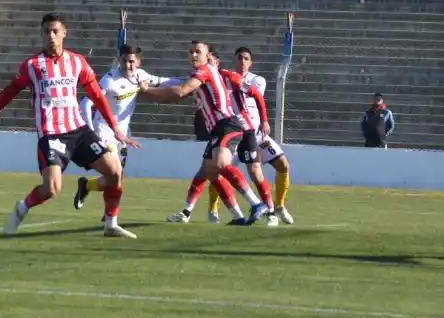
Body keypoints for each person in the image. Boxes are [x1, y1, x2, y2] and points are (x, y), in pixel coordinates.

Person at [0, 13, 138, 238]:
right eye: (46, 31)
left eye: (55, 31)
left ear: (64, 33)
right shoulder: (32, 65)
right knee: (52, 189)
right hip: (52, 134)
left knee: (115, 171)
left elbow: (96, 95)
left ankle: (110, 224)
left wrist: (115, 128)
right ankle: (22, 207)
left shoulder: (77, 62)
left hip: (79, 130)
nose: (50, 36)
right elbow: (9, 93)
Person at [141, 41, 271, 226]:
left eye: (198, 52)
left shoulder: (205, 71)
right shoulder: (201, 75)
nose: (194, 55)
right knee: (211, 173)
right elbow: (174, 93)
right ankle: (237, 216)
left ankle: (257, 204)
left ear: (207, 56)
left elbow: (180, 91)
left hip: (227, 124)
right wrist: (149, 92)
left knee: (222, 164)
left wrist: (147, 90)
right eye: (191, 52)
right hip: (218, 128)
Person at [205, 47, 295, 226]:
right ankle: (213, 208)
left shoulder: (257, 80)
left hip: (256, 134)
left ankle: (278, 207)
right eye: (239, 58)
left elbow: (250, 96)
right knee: (218, 170)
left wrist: (264, 121)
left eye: (246, 59)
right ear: (233, 61)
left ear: (251, 62)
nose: (242, 62)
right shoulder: (223, 79)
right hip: (234, 133)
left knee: (282, 164)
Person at [73, 44, 167, 212]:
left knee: (117, 178)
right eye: (124, 61)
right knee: (113, 175)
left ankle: (86, 185)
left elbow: (163, 81)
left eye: (131, 62)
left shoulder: (140, 76)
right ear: (119, 60)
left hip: (123, 134)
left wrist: (191, 82)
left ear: (138, 62)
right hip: (105, 132)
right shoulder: (109, 80)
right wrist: (91, 131)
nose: (127, 65)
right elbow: (86, 103)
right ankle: (109, 216)